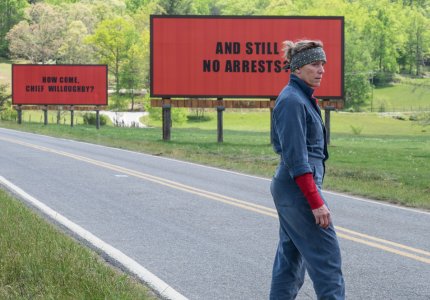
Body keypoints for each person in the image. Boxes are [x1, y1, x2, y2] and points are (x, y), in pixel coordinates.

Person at [270, 39, 345, 299]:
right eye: (315, 64)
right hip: (298, 188)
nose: (321, 70)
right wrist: (315, 201)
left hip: (294, 187)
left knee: (290, 259)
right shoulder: (292, 101)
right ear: (298, 68)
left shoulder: (300, 98)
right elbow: (297, 159)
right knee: (327, 261)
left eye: (323, 64)